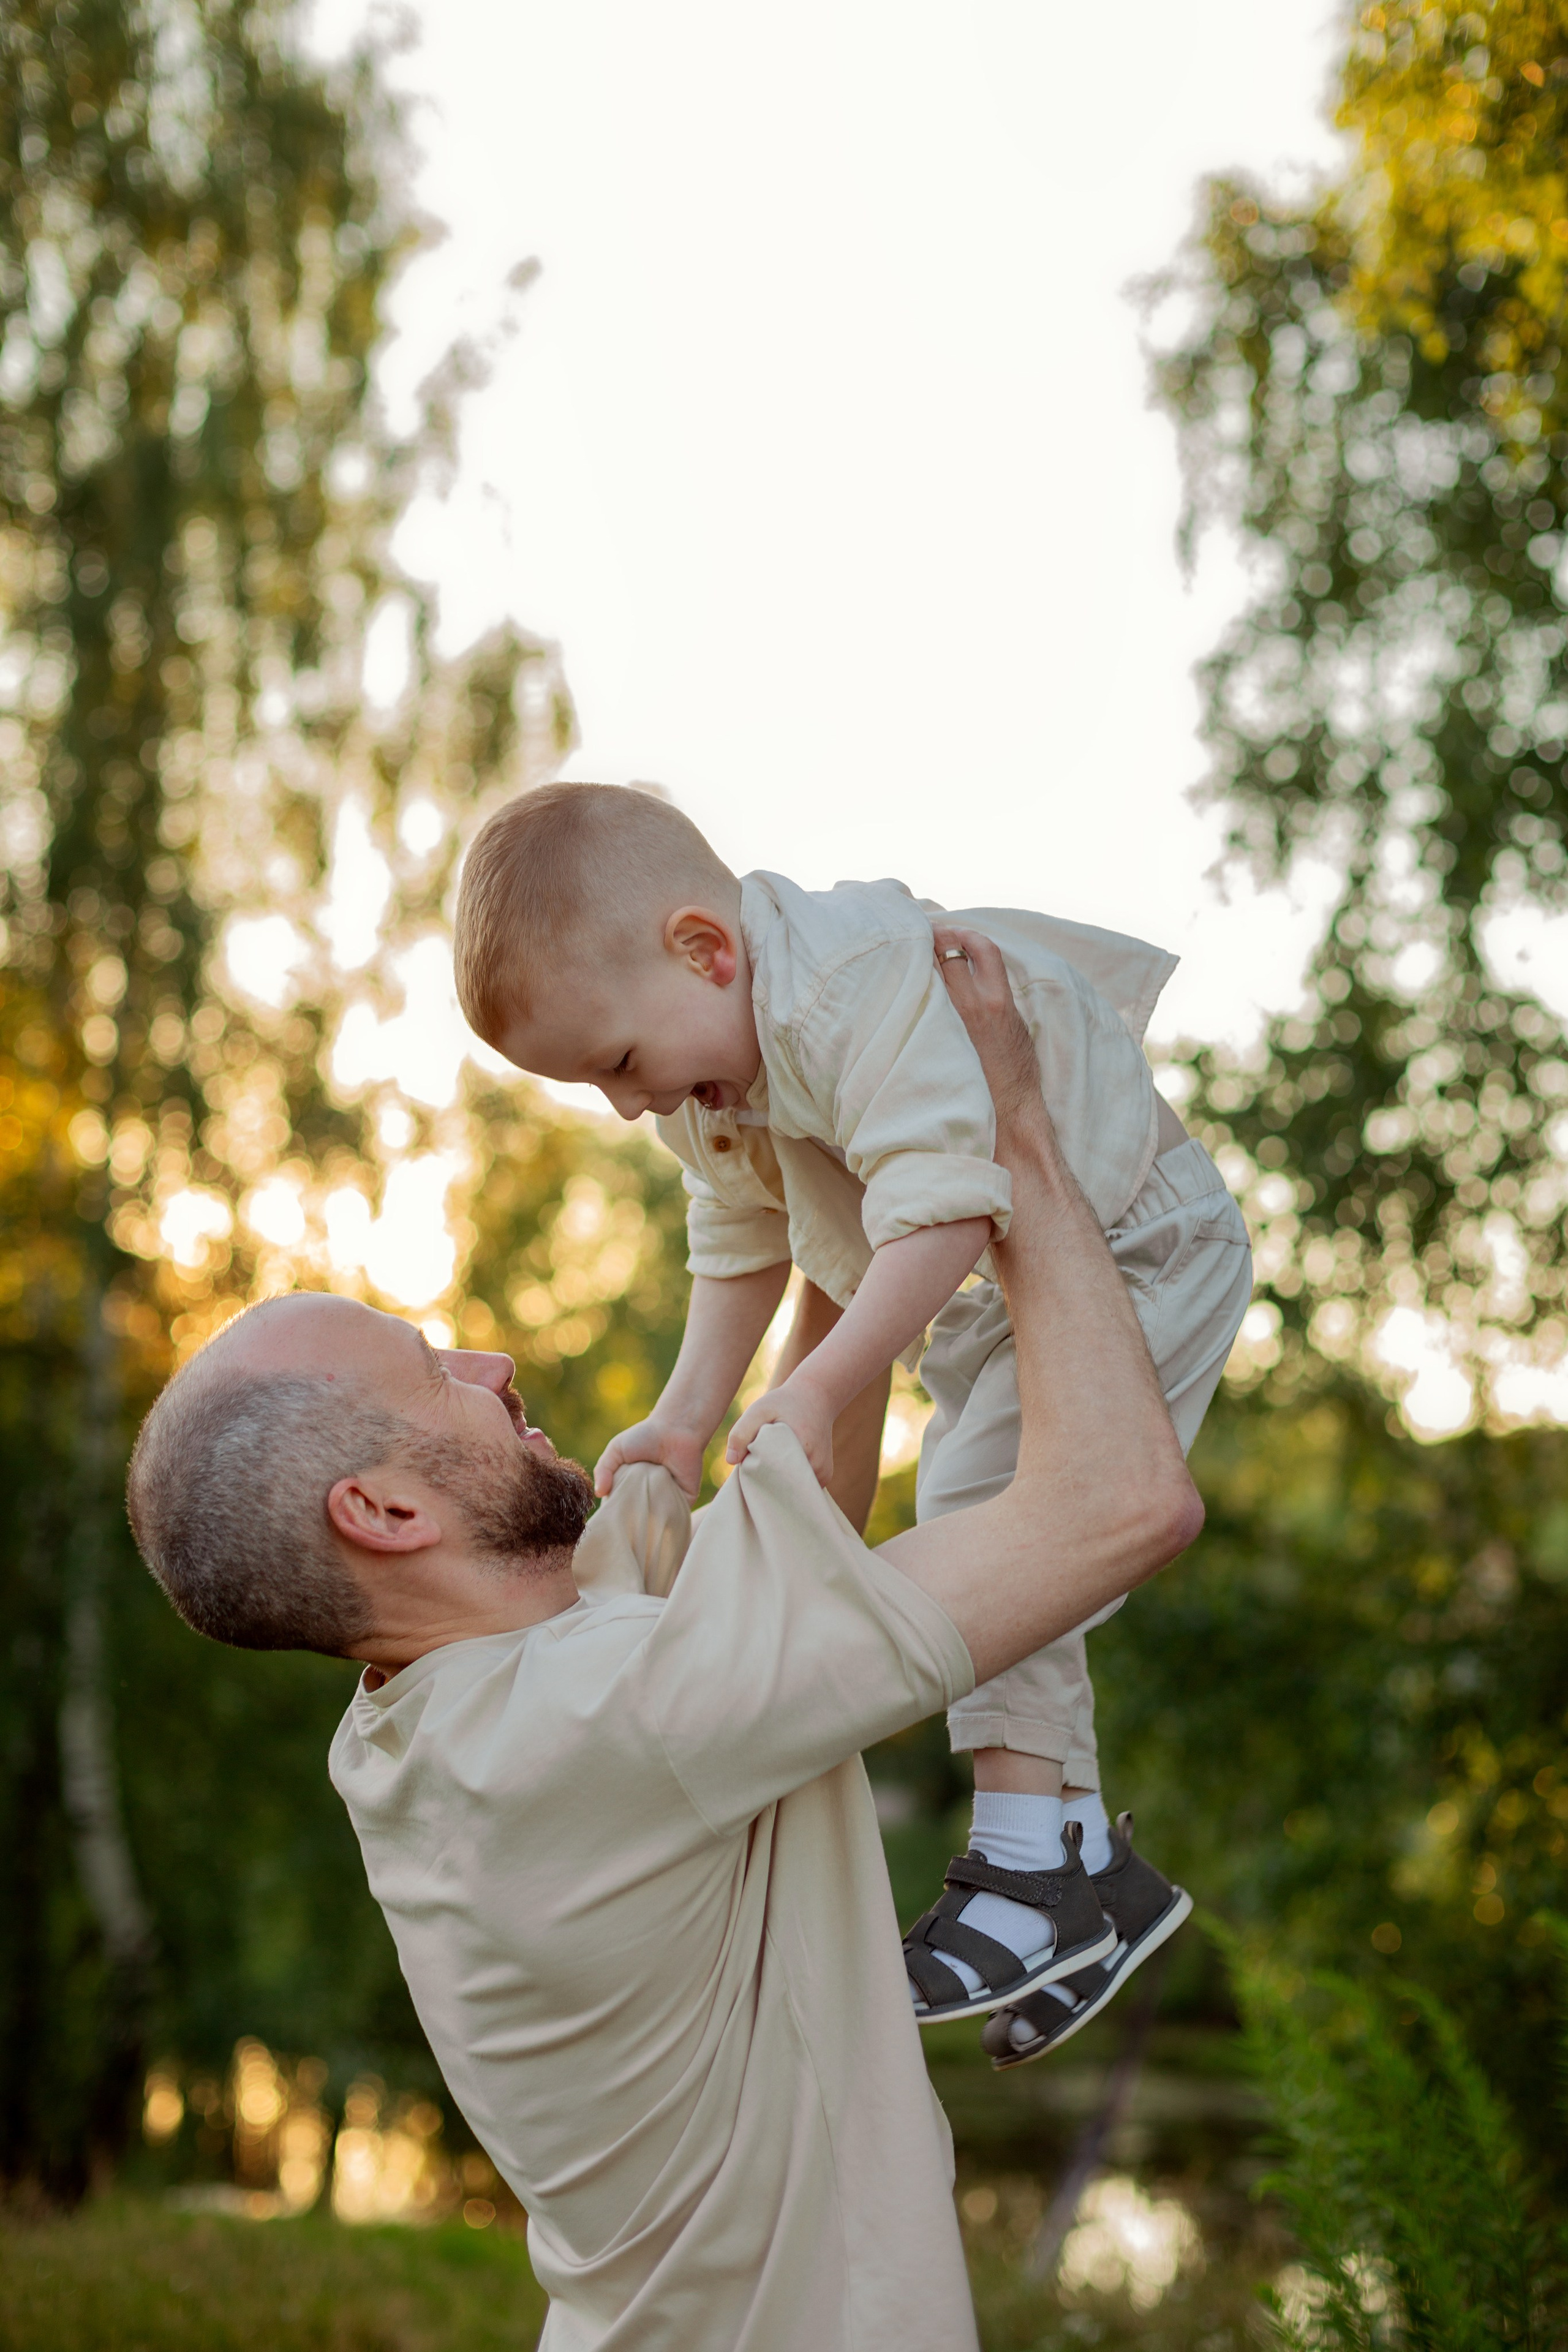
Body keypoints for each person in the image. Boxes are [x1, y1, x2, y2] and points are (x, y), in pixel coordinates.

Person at [126, 938, 1204, 2352]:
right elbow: (1122, 1502)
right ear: (384, 1510)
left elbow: (800, 1501)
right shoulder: (599, 1718)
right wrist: (1011, 1139)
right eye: (432, 1367)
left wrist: (812, 1136)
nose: (490, 1365)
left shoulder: (458, 1706)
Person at [453, 783, 1253, 2054]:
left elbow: (943, 1205)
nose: (628, 1107)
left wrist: (817, 1386)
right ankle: (1087, 1865)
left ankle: (1020, 1867)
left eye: (615, 1065)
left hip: (1137, 1243)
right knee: (984, 1513)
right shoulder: (709, 1064)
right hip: (1014, 1282)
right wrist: (679, 1417)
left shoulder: (846, 990)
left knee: (995, 1518)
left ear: (703, 950)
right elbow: (738, 1238)